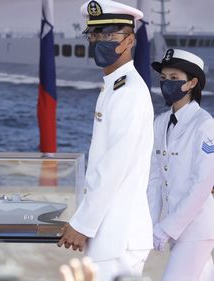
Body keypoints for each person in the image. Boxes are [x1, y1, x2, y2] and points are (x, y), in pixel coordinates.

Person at [57, 1, 154, 281]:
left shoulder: (129, 92)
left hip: (118, 237)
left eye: (110, 35)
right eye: (95, 35)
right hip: (109, 235)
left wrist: (83, 224)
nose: (100, 41)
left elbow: (114, 166)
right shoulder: (113, 87)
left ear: (130, 40)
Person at [147, 49, 214, 281]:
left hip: (196, 229)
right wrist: (150, 223)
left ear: (192, 83)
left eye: (174, 78)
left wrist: (166, 227)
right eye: (163, 78)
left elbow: (203, 185)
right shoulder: (160, 122)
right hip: (177, 230)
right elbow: (154, 179)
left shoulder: (205, 125)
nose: (167, 84)